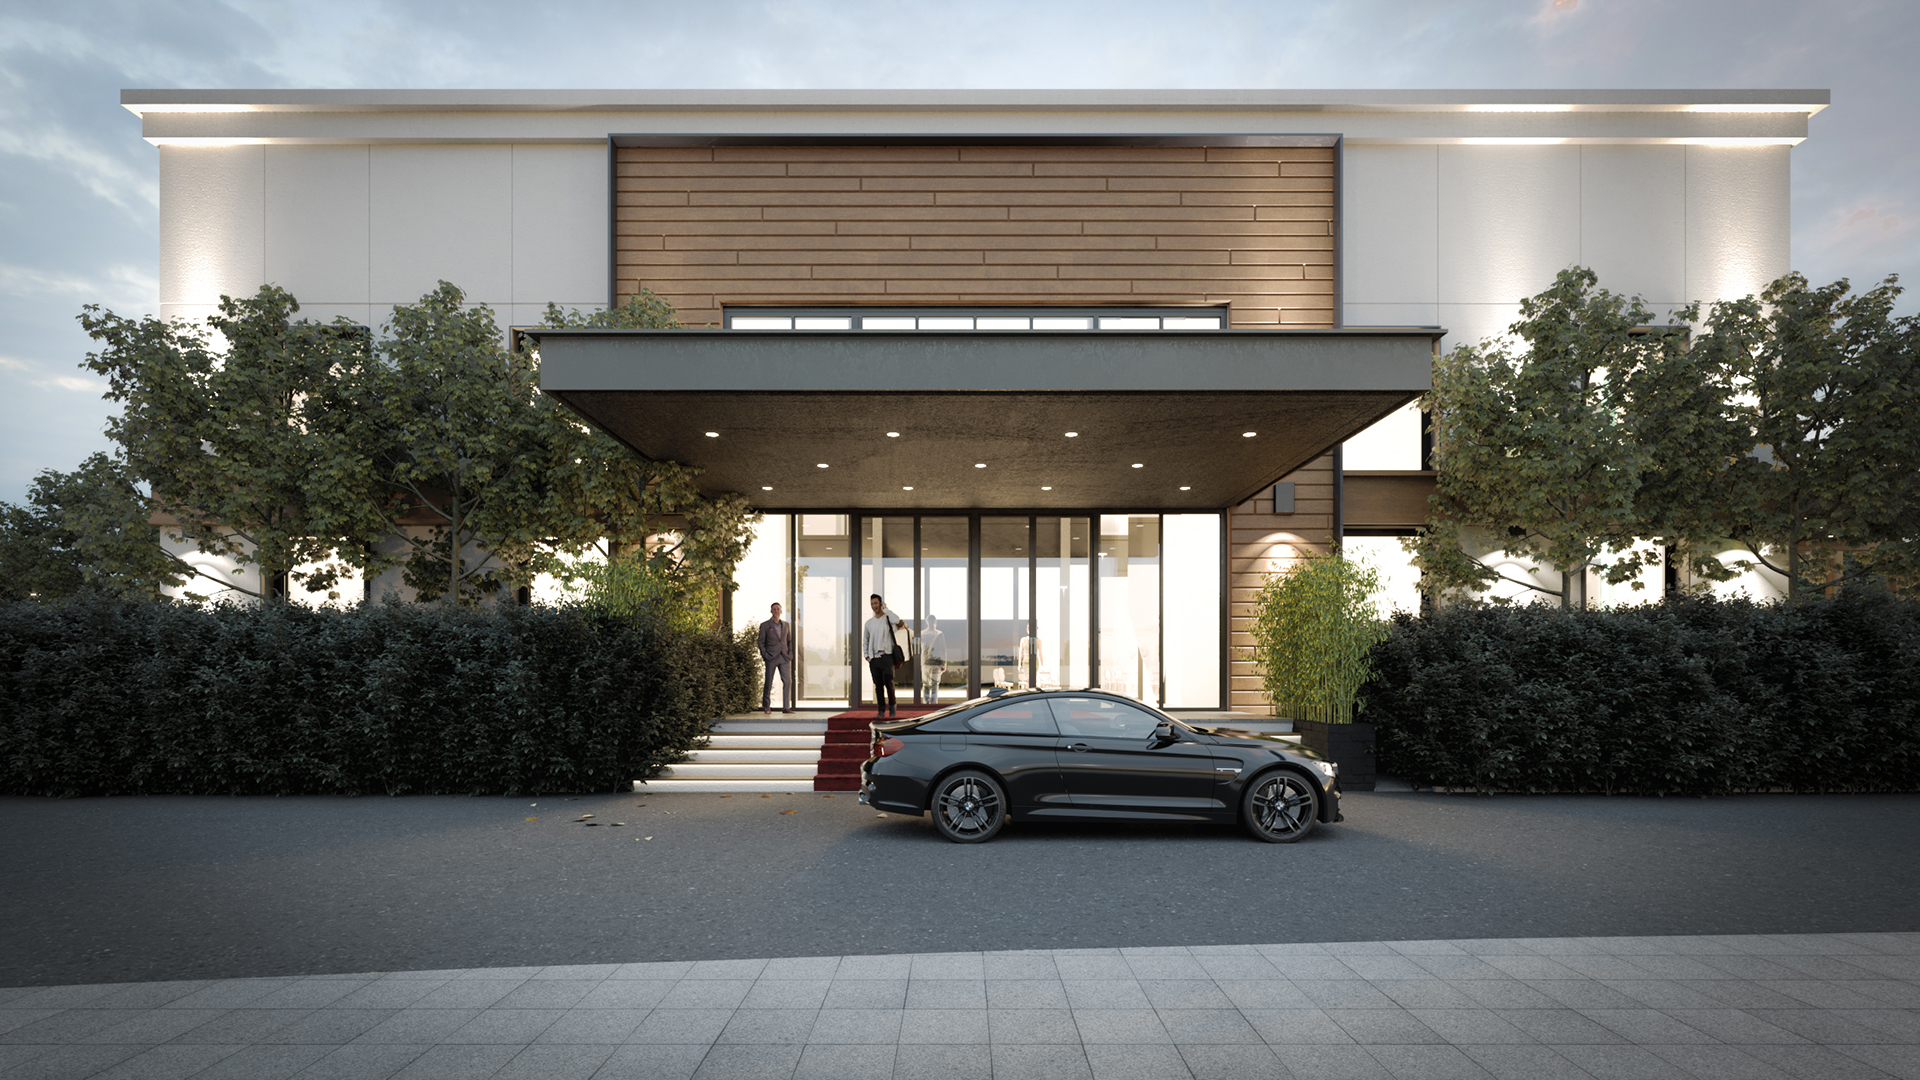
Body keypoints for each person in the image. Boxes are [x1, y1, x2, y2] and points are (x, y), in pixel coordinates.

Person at [862, 593, 905, 716]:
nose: (873, 606)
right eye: (871, 604)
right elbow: (865, 640)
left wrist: (886, 609)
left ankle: (892, 706)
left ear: (880, 603)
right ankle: (881, 710)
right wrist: (867, 656)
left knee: (889, 683)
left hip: (887, 657)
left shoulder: (887, 618)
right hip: (874, 659)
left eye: (876, 603)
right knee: (878, 686)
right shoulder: (868, 623)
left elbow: (897, 620)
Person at [757, 602, 795, 714]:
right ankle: (767, 706)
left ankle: (786, 707)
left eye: (778, 609)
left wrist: (790, 654)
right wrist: (765, 655)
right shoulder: (765, 625)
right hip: (771, 657)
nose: (776, 611)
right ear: (771, 611)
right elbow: (760, 642)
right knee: (769, 681)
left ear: (781, 611)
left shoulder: (786, 625)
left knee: (788, 681)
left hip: (784, 657)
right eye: (774, 609)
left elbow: (789, 641)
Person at [919, 615, 947, 701]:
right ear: (935, 622)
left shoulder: (922, 633)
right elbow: (943, 650)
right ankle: (934, 703)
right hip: (936, 662)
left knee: (925, 684)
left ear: (927, 623)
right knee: (935, 684)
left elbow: (920, 648)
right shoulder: (939, 634)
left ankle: (926, 703)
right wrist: (944, 664)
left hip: (925, 662)